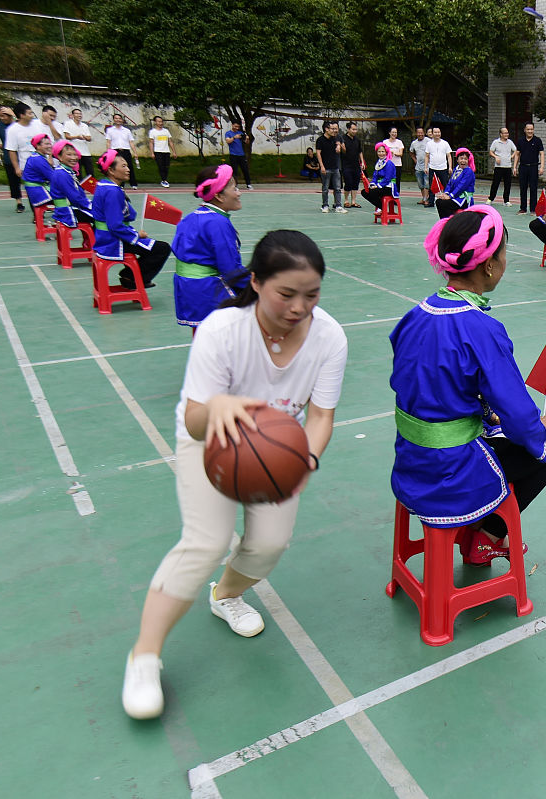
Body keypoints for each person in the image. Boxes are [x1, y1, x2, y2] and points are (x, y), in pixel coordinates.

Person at [121, 230, 348, 720]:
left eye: (311, 295)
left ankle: (224, 596)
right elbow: (195, 419)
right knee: (205, 541)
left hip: (276, 449)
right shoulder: (222, 329)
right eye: (286, 293)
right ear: (256, 282)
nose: (298, 307)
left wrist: (306, 459)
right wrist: (221, 404)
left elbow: (321, 417)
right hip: (210, 443)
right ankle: (144, 656)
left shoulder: (329, 337)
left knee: (269, 544)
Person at [390, 205, 546, 566]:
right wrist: (537, 432)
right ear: (489, 265)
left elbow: (418, 382)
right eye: (504, 254)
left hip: (410, 456)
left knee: (501, 432)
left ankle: (479, 529)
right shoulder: (482, 329)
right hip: (451, 468)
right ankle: (487, 537)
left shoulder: (417, 312)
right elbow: (517, 413)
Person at [171, 164, 248, 331]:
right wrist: (258, 284)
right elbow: (231, 270)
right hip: (207, 289)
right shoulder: (218, 223)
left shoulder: (191, 217)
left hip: (187, 287)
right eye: (235, 188)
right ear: (219, 195)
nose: (239, 193)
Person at [92, 149, 171, 290]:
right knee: (162, 248)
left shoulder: (104, 185)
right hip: (113, 240)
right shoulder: (112, 191)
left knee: (153, 247)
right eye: (123, 166)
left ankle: (131, 276)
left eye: (127, 166)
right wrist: (136, 235)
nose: (128, 169)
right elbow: (115, 226)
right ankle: (132, 277)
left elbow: (129, 214)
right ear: (111, 170)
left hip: (105, 236)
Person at [49, 140, 94, 228]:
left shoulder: (66, 171)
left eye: (74, 154)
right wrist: (91, 204)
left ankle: (93, 240)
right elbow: (75, 197)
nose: (73, 158)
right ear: (59, 157)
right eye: (69, 155)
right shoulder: (62, 174)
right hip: (67, 212)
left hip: (70, 208)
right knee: (104, 215)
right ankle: (99, 241)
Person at [0, 105, 24, 213]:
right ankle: (19, 203)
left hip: (23, 156)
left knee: (31, 181)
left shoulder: (18, 124)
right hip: (9, 158)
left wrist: (13, 114)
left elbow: (28, 122)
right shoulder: (0, 126)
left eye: (4, 115)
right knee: (13, 182)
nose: (2, 118)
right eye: (0, 116)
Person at [5, 103, 48, 190]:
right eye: (29, 113)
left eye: (32, 113)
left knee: (49, 187)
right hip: (26, 165)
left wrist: (49, 157)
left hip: (43, 162)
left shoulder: (37, 125)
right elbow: (12, 150)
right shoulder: (12, 130)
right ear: (22, 115)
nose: (32, 115)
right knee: (34, 190)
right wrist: (17, 168)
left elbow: (47, 142)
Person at [434, 148, 476, 219]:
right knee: (439, 201)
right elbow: (450, 183)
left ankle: (450, 222)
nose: (463, 161)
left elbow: (461, 186)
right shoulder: (456, 170)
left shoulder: (468, 171)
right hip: (455, 197)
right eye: (461, 158)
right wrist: (446, 194)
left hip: (463, 199)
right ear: (457, 160)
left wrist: (450, 196)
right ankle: (445, 222)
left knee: (444, 204)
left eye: (465, 159)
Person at [360, 142, 399, 214]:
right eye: (379, 151)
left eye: (382, 151)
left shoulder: (389, 163)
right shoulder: (378, 163)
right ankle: (382, 207)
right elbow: (375, 177)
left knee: (373, 192)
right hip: (380, 186)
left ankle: (381, 209)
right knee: (364, 192)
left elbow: (387, 179)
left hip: (389, 187)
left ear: (386, 152)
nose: (381, 153)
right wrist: (372, 184)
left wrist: (377, 186)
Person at [515, 122, 545, 215]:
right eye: (528, 129)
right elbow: (517, 154)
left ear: (533, 130)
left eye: (531, 129)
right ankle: (523, 208)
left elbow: (542, 154)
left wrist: (542, 167)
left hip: (533, 167)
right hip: (523, 167)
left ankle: (533, 209)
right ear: (525, 130)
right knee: (523, 188)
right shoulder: (520, 141)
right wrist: (514, 167)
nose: (530, 131)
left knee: (533, 188)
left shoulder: (537, 140)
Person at [20, 134, 55, 211]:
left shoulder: (36, 157)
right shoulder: (38, 159)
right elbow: (52, 177)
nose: (49, 146)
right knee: (67, 198)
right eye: (46, 144)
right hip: (39, 192)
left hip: (35, 191)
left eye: (49, 143)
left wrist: (50, 155)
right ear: (38, 146)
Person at [104, 113, 139, 189]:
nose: (118, 120)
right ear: (114, 120)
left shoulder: (127, 131)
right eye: (116, 118)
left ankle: (133, 184)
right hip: (115, 151)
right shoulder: (110, 130)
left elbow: (131, 142)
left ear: (122, 120)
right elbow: (108, 142)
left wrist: (135, 153)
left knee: (129, 167)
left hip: (125, 151)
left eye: (119, 118)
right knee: (117, 168)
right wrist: (108, 152)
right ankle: (121, 184)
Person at [60, 108, 95, 178]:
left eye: (80, 114)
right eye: (77, 113)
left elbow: (89, 138)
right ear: (73, 115)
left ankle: (91, 187)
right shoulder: (68, 123)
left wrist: (84, 137)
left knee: (90, 171)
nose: (79, 115)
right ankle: (79, 186)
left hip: (85, 152)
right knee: (78, 172)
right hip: (74, 151)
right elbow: (67, 136)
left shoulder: (84, 126)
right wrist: (77, 137)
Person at [316, 121, 342, 213]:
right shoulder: (320, 140)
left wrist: (338, 145)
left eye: (335, 129)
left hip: (335, 167)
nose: (334, 130)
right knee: (325, 188)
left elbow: (340, 142)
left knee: (337, 188)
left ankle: (338, 206)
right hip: (325, 167)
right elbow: (318, 153)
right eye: (332, 129)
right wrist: (322, 166)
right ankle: (325, 205)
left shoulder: (335, 138)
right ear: (326, 129)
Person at [488, 127, 518, 206]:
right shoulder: (496, 142)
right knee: (495, 183)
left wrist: (512, 156)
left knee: (507, 184)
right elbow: (491, 152)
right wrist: (496, 157)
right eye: (504, 133)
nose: (506, 134)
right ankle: (491, 198)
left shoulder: (510, 142)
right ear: (501, 134)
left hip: (508, 166)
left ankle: (506, 200)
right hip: (498, 167)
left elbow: (515, 150)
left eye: (507, 133)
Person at [424, 127, 452, 207]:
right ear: (432, 134)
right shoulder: (429, 144)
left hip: (443, 168)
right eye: (435, 132)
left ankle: (447, 200)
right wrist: (426, 167)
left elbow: (449, 156)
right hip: (432, 168)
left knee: (446, 185)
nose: (437, 134)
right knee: (431, 186)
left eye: (438, 132)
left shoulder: (445, 143)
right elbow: (427, 156)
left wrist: (450, 167)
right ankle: (431, 202)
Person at [339, 121, 365, 209]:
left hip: (356, 165)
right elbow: (343, 152)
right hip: (346, 165)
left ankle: (353, 201)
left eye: (356, 129)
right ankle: (346, 200)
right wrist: (342, 148)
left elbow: (359, 151)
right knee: (348, 182)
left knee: (355, 183)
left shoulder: (357, 140)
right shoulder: (342, 139)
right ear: (348, 129)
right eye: (353, 129)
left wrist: (362, 161)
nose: (355, 131)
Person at [147, 116, 177, 188]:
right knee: (161, 166)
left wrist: (174, 152)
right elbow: (151, 142)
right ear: (155, 122)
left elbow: (170, 141)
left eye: (161, 121)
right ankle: (164, 180)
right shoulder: (152, 132)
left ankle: (165, 179)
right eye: (159, 121)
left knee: (166, 166)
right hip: (158, 151)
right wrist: (152, 153)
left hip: (166, 151)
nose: (160, 123)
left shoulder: (166, 131)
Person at [225, 121, 253, 190]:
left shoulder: (240, 133)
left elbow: (246, 142)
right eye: (235, 126)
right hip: (233, 155)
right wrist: (234, 137)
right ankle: (235, 185)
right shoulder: (228, 133)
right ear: (232, 125)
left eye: (238, 127)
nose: (237, 128)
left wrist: (247, 138)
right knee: (234, 171)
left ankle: (248, 184)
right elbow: (228, 141)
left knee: (245, 169)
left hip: (241, 154)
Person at [381, 127, 405, 193]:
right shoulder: (385, 142)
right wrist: (388, 153)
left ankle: (396, 196)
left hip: (397, 165)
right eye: (393, 132)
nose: (394, 134)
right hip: (387, 164)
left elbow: (401, 153)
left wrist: (394, 153)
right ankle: (387, 196)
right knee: (387, 180)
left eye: (395, 132)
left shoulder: (399, 142)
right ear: (389, 133)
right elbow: (382, 152)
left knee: (396, 181)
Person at [409, 127, 430, 206]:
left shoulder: (428, 141)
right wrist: (415, 160)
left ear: (424, 133)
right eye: (418, 133)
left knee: (426, 183)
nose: (420, 134)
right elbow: (411, 152)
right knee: (420, 184)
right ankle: (424, 197)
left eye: (421, 133)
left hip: (427, 166)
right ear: (416, 133)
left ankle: (425, 199)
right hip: (418, 167)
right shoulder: (414, 143)